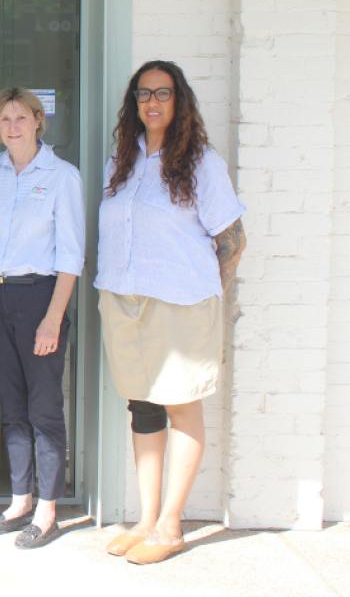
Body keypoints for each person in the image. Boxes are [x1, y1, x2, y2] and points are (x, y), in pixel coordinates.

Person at [96, 61, 246, 565]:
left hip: (180, 303)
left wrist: (205, 294)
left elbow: (233, 239)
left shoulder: (201, 162)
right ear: (134, 103)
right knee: (143, 406)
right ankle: (145, 518)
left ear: (179, 100)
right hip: (125, 300)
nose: (152, 102)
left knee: (182, 406)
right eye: (143, 93)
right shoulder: (124, 158)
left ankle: (171, 524)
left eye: (162, 92)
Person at [0, 88, 85, 549]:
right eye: (4, 119)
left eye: (21, 117)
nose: (13, 126)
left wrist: (53, 318)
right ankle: (20, 501)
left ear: (39, 121)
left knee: (44, 408)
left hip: (40, 297)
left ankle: (48, 510)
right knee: (11, 406)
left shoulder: (62, 176)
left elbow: (72, 255)